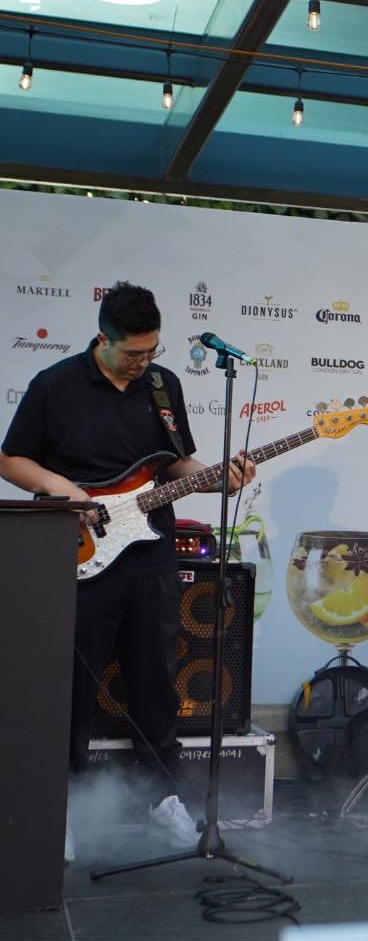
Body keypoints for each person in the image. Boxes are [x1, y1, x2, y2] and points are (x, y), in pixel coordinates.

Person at [0, 281, 255, 863]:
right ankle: (60, 808)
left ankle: (163, 798)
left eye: (151, 350)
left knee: (157, 685)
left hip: (150, 556)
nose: (143, 362)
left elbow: (174, 463)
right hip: (79, 555)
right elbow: (11, 459)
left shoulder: (163, 385)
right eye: (133, 353)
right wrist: (62, 489)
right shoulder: (55, 385)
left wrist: (217, 477)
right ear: (103, 339)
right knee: (71, 688)